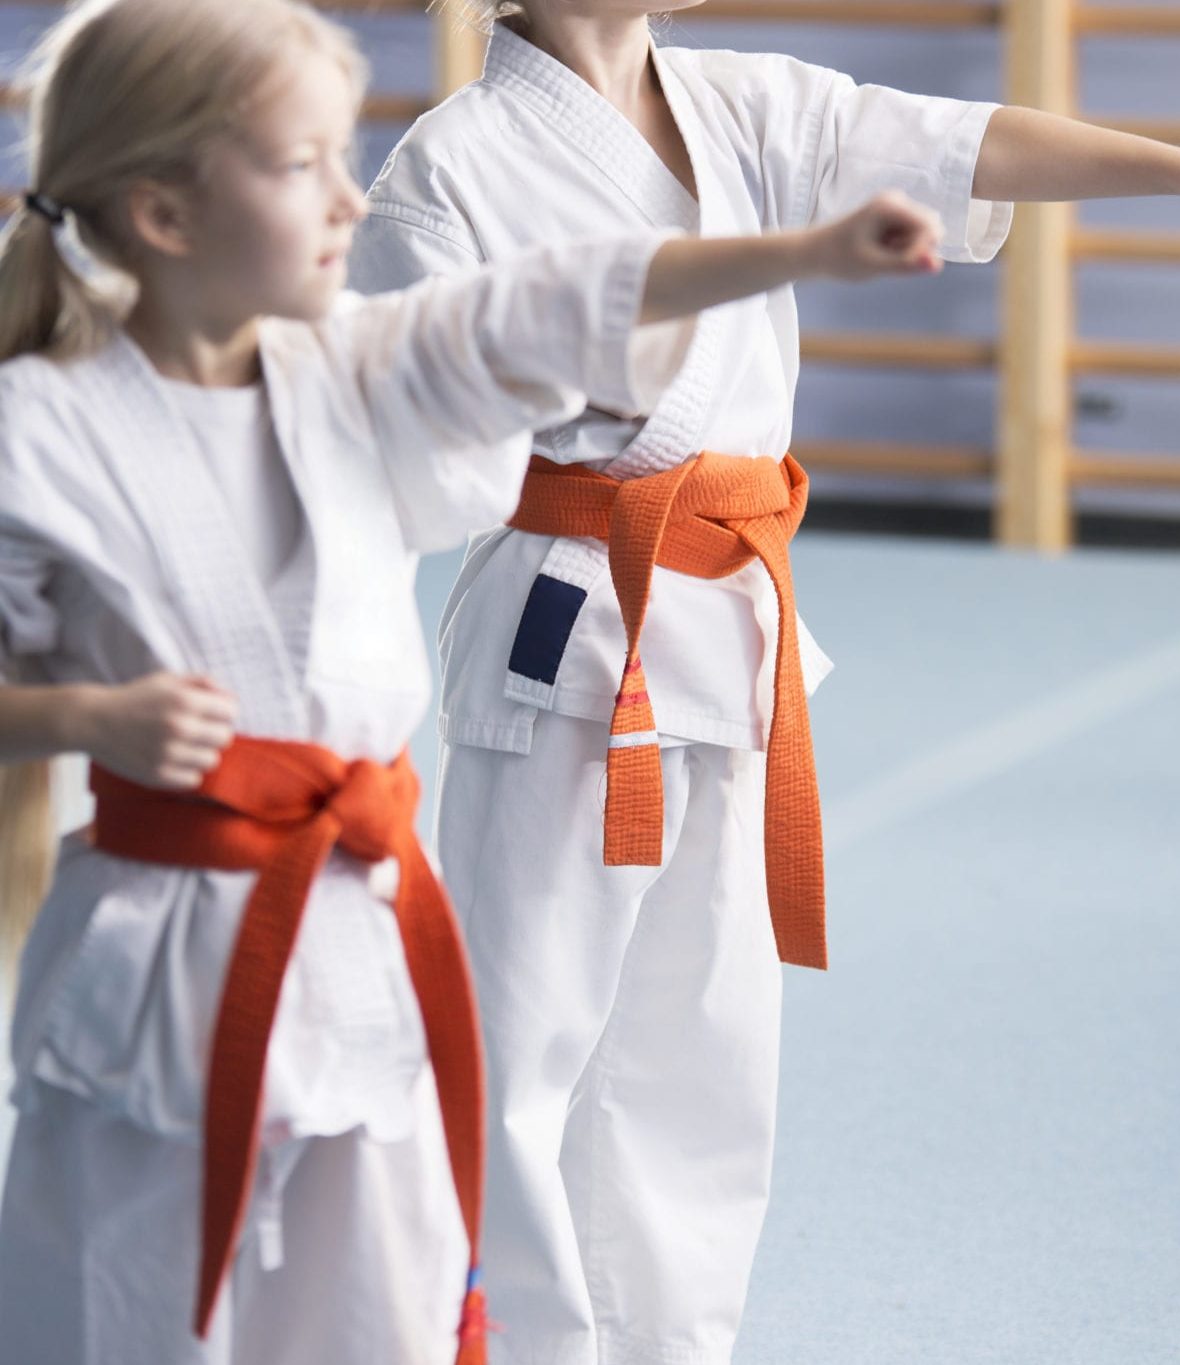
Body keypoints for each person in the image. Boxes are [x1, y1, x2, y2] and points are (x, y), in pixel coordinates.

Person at [349, 4, 1180, 1363]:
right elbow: (411, 415)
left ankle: (675, 1342)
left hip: (733, 633)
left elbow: (964, 141)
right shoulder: (450, 169)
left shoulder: (741, 104)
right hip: (569, 641)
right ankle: (513, 1343)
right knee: (525, 1048)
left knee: (707, 1051)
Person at [0, 0, 948, 1361]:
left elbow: (538, 305)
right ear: (161, 212)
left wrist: (801, 249)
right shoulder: (38, 429)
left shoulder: (346, 369)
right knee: (138, 1294)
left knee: (371, 1303)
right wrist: (85, 719)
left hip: (359, 938)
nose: (347, 197)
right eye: (300, 164)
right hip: (161, 948)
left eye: (342, 156)